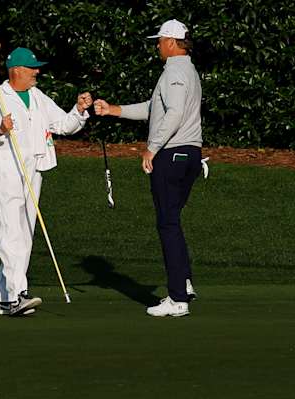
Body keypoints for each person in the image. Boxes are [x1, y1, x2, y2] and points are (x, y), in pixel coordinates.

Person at [0, 47, 93, 316]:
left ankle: (4, 297)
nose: (37, 71)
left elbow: (62, 124)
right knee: (10, 234)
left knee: (25, 235)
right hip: (6, 173)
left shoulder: (37, 96)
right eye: (32, 68)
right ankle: (16, 296)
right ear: (17, 71)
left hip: (33, 172)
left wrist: (79, 110)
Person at [94, 19, 202, 317]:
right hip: (189, 153)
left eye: (159, 40)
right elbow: (154, 109)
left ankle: (178, 299)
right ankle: (184, 283)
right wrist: (113, 110)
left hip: (173, 154)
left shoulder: (175, 70)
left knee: (167, 223)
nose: (157, 45)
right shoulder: (185, 69)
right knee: (172, 222)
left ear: (170, 42)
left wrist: (152, 148)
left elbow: (175, 113)